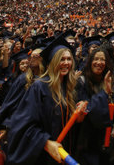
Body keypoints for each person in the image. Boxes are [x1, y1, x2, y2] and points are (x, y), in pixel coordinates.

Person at [7, 37, 86, 165]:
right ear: (52, 62)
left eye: (69, 59)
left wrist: (80, 115)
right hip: (43, 156)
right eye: (61, 59)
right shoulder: (39, 87)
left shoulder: (70, 88)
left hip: (64, 154)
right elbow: (23, 124)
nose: (66, 63)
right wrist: (46, 142)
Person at [75, 46, 114, 165]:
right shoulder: (81, 82)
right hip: (88, 144)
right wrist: (105, 93)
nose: (99, 63)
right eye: (96, 59)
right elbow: (89, 113)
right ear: (90, 62)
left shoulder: (110, 81)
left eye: (103, 60)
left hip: (108, 145)